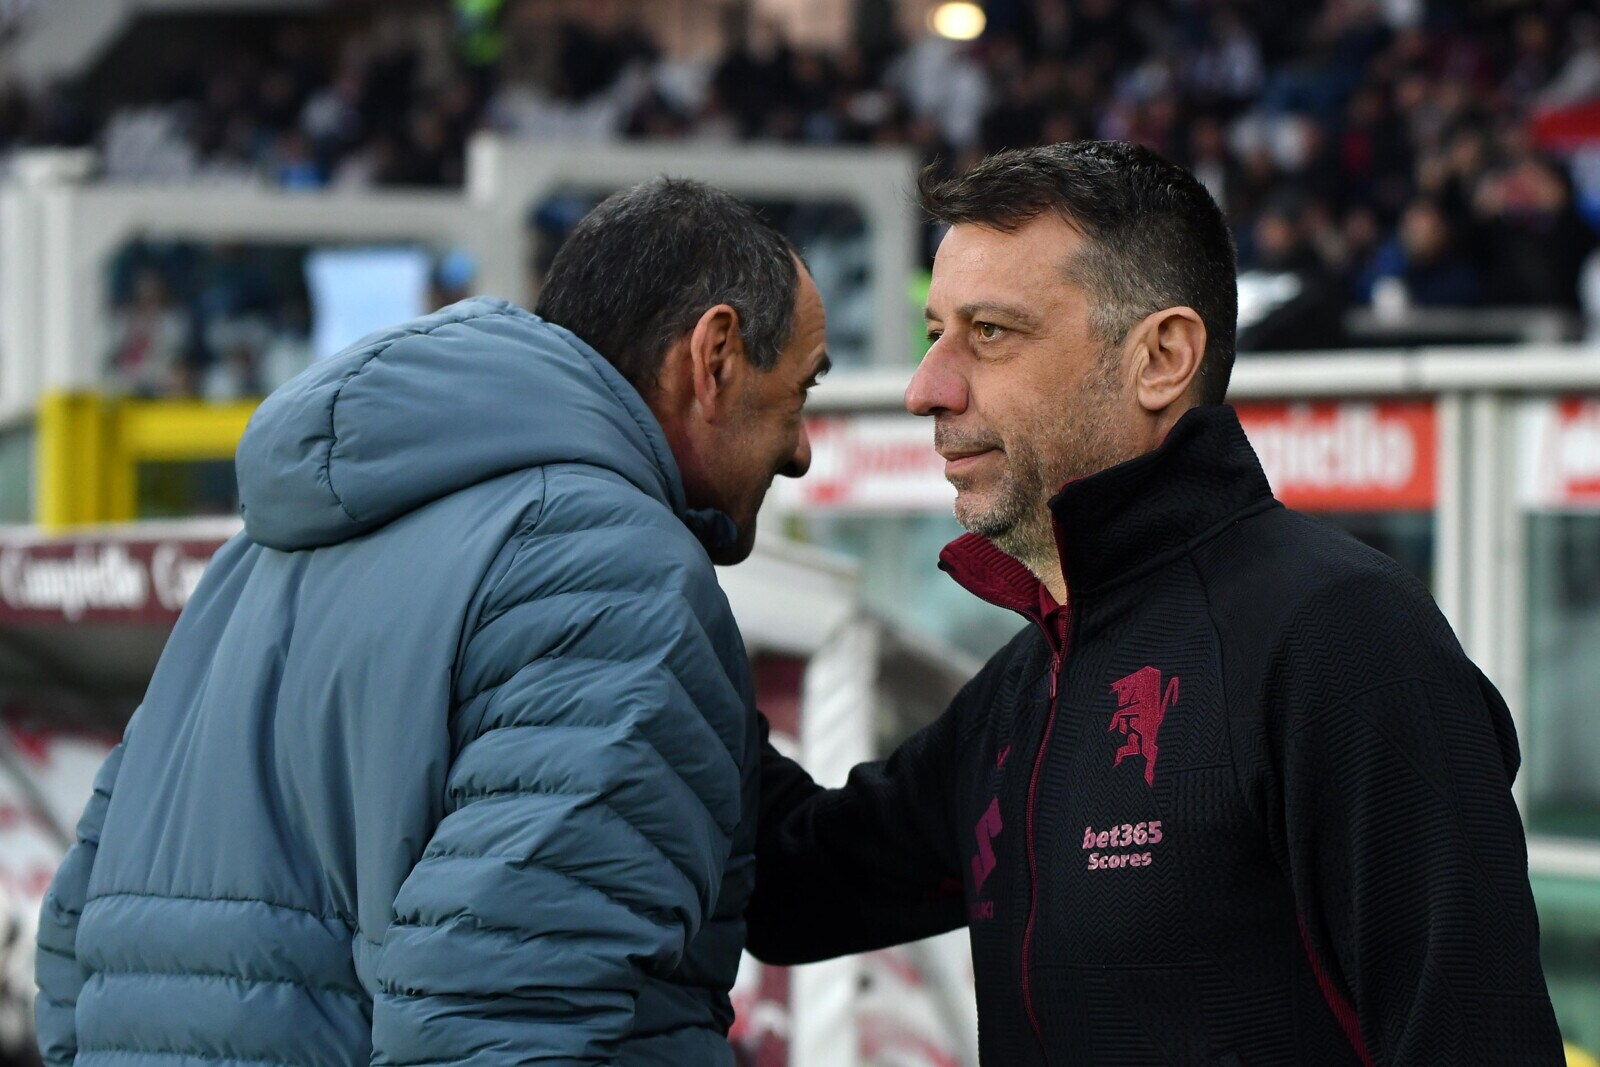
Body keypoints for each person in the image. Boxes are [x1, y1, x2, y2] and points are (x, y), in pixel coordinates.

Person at [748, 141, 1564, 1065]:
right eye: (936, 332)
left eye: (991, 332)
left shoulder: (1342, 638)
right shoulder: (1027, 682)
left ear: (1163, 357)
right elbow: (788, 885)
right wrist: (665, 579)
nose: (925, 387)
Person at [35, 178, 829, 1067]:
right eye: (801, 391)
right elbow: (503, 1021)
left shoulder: (254, 563)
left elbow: (73, 935)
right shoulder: (614, 568)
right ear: (713, 356)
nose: (801, 448)